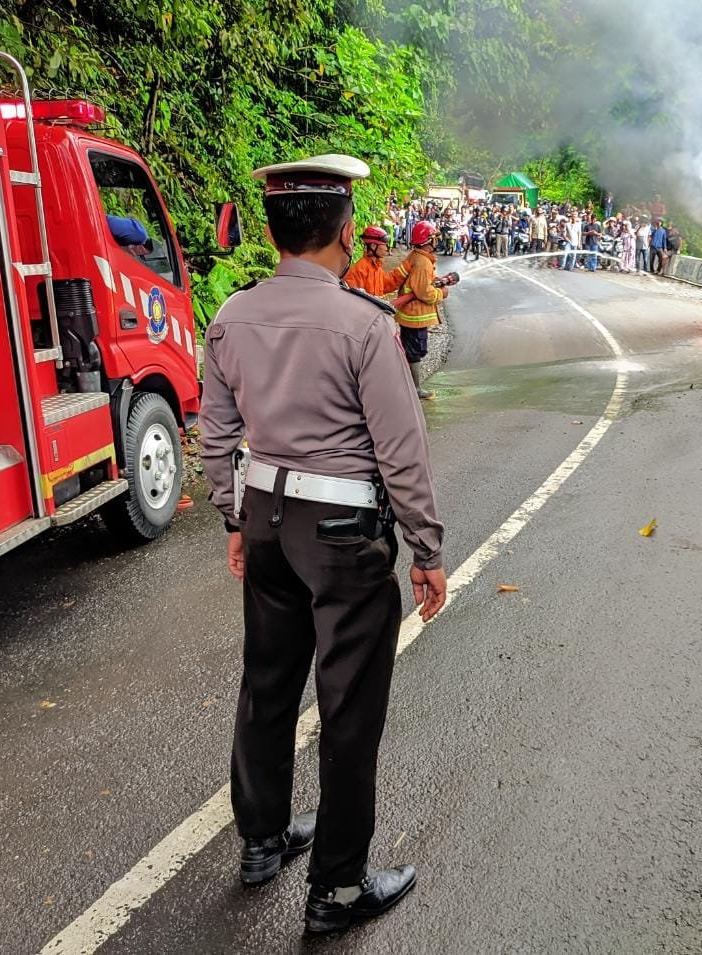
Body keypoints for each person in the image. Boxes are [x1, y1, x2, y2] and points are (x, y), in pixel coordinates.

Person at [199, 154, 445, 935]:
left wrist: (234, 519)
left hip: (267, 517)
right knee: (347, 706)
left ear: (273, 229)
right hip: (342, 533)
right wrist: (427, 548)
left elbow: (217, 436)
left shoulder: (232, 316)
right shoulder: (363, 326)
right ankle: (336, 886)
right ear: (344, 232)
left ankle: (263, 840)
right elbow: (401, 451)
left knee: (268, 682)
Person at [396, 220, 448, 400]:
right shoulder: (423, 262)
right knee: (415, 351)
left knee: (412, 350)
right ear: (428, 240)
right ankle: (415, 389)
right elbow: (424, 291)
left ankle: (410, 385)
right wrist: (441, 293)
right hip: (415, 316)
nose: (436, 241)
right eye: (434, 238)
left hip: (410, 315)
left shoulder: (417, 257)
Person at [344, 225, 407, 299]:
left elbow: (387, 284)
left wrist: (406, 269)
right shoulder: (359, 270)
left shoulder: (376, 267)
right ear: (373, 246)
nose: (386, 248)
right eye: (384, 245)